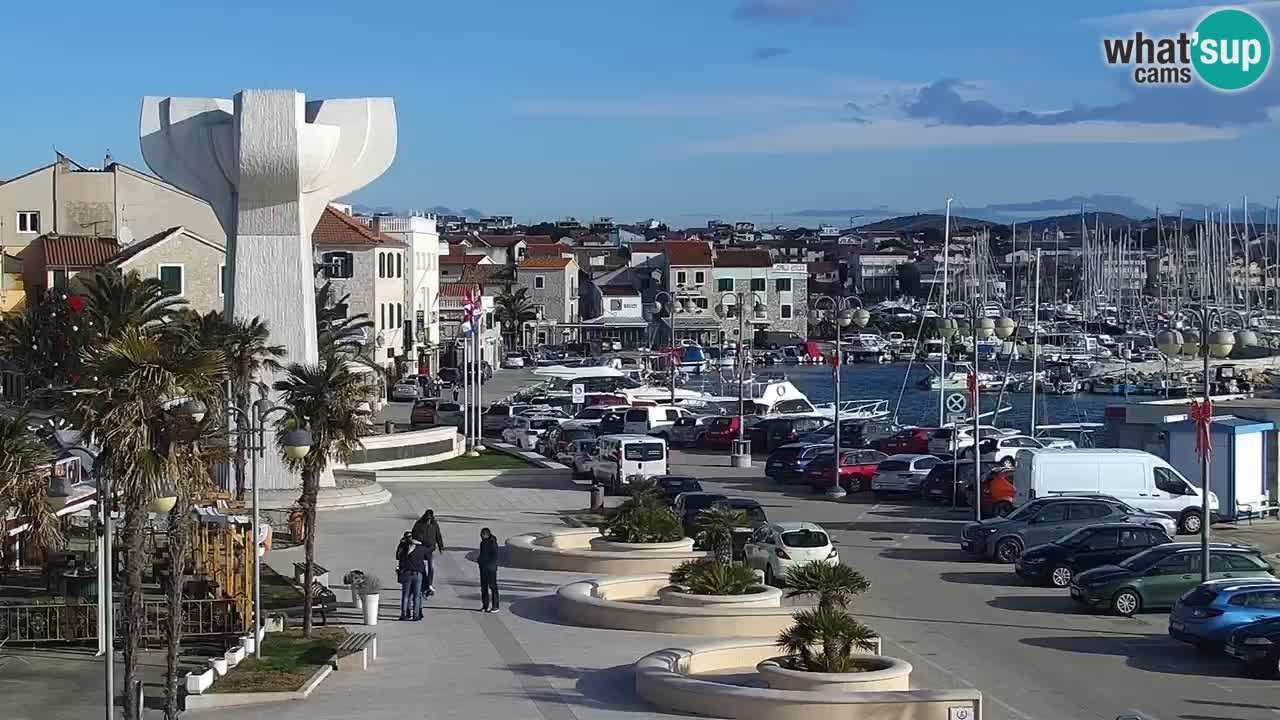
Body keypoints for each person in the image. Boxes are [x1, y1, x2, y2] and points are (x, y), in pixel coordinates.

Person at [411, 509, 444, 597]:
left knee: (431, 567)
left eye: (430, 518)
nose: (429, 520)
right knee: (421, 566)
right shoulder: (419, 524)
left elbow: (438, 535)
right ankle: (423, 582)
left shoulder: (434, 524)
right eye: (427, 518)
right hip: (421, 548)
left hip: (430, 549)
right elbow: (414, 535)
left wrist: (441, 547)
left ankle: (429, 583)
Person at [396, 531, 426, 621]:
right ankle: (416, 615)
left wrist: (401, 543)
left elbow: (397, 557)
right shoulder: (420, 549)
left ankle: (404, 614)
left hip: (406, 573)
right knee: (417, 596)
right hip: (418, 574)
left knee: (406, 595)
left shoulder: (403, 549)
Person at [477, 527, 500, 613]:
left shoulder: (493, 543)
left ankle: (495, 606)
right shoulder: (482, 543)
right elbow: (482, 554)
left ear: (487, 534)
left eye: (482, 534)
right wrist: (479, 561)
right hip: (483, 568)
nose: (481, 536)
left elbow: (495, 556)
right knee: (484, 587)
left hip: (491, 569)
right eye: (481, 534)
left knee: (493, 587)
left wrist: (490, 565)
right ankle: (485, 605)